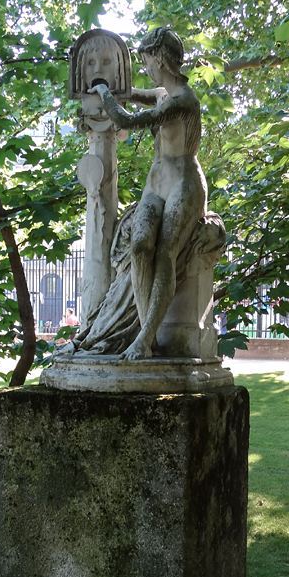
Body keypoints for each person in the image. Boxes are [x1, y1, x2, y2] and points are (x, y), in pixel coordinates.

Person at [88, 27, 206, 360]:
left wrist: (105, 94)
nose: (148, 68)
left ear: (161, 60)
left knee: (165, 252)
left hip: (183, 183)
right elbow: (136, 94)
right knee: (140, 245)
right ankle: (145, 335)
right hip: (156, 182)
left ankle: (145, 337)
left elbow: (127, 118)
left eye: (149, 62)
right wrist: (111, 86)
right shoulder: (162, 93)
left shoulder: (184, 99)